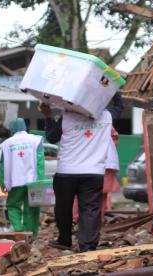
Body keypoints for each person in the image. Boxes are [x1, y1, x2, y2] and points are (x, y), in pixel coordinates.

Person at [41, 93, 123, 252]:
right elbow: (118, 105)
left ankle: (65, 240)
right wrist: (110, 87)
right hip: (94, 173)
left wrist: (48, 116)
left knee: (63, 208)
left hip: (66, 172)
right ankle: (87, 246)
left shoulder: (67, 117)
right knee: (90, 209)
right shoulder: (106, 116)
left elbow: (51, 137)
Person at [0, 118, 45, 236]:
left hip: (15, 181)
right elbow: (40, 162)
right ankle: (31, 234)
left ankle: (19, 229)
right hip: (33, 180)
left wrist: (2, 182)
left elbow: (3, 165)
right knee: (32, 207)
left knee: (13, 205)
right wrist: (40, 180)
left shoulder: (6, 144)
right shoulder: (36, 140)